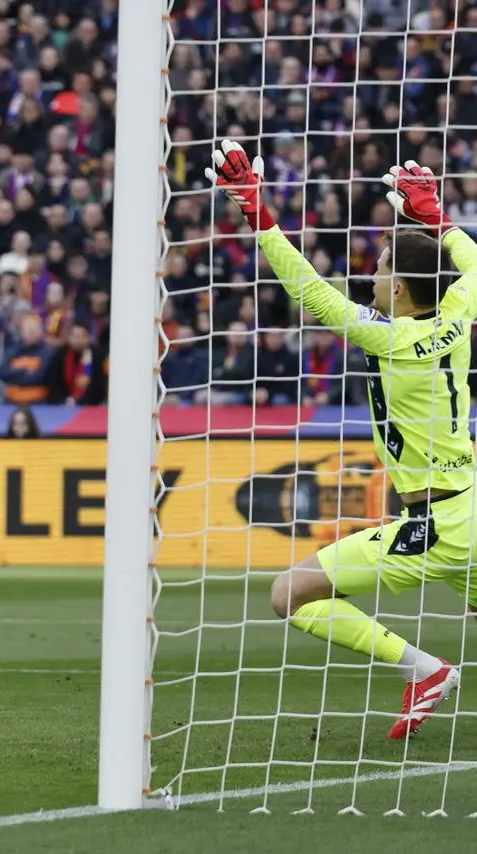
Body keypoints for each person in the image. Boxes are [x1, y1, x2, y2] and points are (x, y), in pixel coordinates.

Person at [209, 141, 477, 740]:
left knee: (291, 593)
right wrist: (437, 219)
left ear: (402, 290)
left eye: (382, 270)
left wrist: (258, 213)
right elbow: (473, 260)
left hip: (440, 523)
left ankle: (426, 670)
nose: (373, 278)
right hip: (471, 500)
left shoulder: (389, 338)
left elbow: (308, 291)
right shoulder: (459, 309)